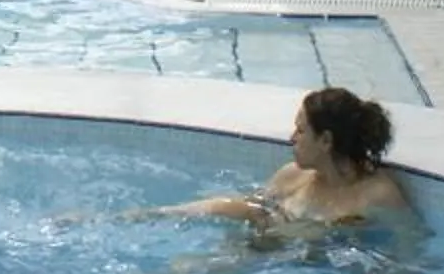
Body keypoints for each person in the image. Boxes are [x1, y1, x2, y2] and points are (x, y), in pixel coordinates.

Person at [164, 88, 408, 231]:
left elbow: (407, 253)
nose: (292, 138)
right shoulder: (293, 175)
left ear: (325, 141)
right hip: (265, 252)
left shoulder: (376, 195)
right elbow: (249, 207)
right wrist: (171, 212)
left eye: (301, 131)